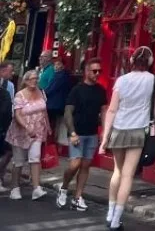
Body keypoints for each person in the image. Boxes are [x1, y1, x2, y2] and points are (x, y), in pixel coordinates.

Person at [100, 46, 155, 230]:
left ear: (132, 61)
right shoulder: (154, 79)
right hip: (138, 130)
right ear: (150, 62)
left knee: (117, 172)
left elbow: (112, 109)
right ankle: (117, 219)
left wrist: (104, 138)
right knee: (128, 175)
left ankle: (110, 213)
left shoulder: (121, 80)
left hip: (118, 129)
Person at [57, 58, 107, 211]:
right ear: (86, 71)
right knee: (75, 164)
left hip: (91, 133)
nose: (97, 73)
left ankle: (78, 197)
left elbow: (104, 111)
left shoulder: (101, 90)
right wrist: (72, 133)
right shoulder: (77, 90)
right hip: (77, 132)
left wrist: (104, 131)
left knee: (85, 165)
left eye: (99, 71)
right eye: (94, 71)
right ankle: (64, 188)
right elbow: (67, 112)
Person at [5, 69, 50, 200]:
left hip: (38, 130)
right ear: (25, 81)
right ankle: (15, 188)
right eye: (31, 79)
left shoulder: (41, 92)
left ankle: (36, 188)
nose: (34, 81)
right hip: (21, 132)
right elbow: (18, 115)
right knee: (18, 161)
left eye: (36, 78)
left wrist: (48, 126)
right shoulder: (20, 95)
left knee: (35, 158)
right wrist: (26, 127)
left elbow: (44, 110)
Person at [44, 57, 72, 140]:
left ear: (63, 65)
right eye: (55, 64)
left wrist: (42, 93)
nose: (56, 66)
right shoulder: (64, 75)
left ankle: (49, 143)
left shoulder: (60, 76)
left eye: (58, 64)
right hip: (59, 104)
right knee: (56, 125)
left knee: (50, 125)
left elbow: (51, 89)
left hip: (54, 105)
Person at [0, 62, 13, 192]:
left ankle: (1, 176)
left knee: (8, 152)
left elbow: (10, 105)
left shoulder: (9, 86)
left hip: (5, 124)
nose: (12, 73)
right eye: (10, 71)